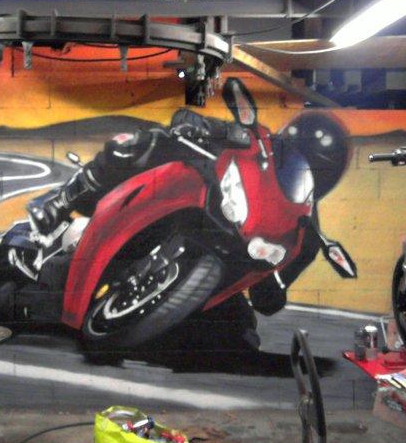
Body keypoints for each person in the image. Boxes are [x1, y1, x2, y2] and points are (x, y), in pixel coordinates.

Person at [27, 78, 349, 314]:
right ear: (286, 141)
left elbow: (267, 299)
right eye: (296, 160)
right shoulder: (253, 142)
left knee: (241, 328)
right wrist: (196, 125)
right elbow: (195, 123)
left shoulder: (306, 235)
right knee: (134, 144)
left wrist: (274, 285)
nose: (301, 172)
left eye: (316, 171)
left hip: (221, 262)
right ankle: (60, 203)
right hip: (198, 192)